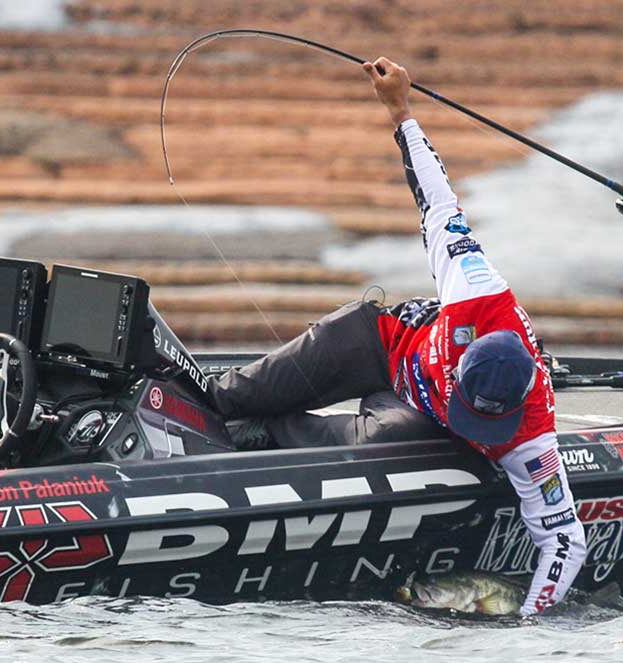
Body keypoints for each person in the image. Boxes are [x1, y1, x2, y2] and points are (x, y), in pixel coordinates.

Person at [210, 57, 586, 616]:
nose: (484, 428)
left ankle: (262, 434)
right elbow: (437, 200)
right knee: (231, 394)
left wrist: (529, 623)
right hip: (384, 343)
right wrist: (401, 110)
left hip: (414, 417)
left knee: (373, 450)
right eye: (474, 411)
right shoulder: (473, 286)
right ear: (461, 367)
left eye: (489, 422)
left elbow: (564, 541)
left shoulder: (531, 436)